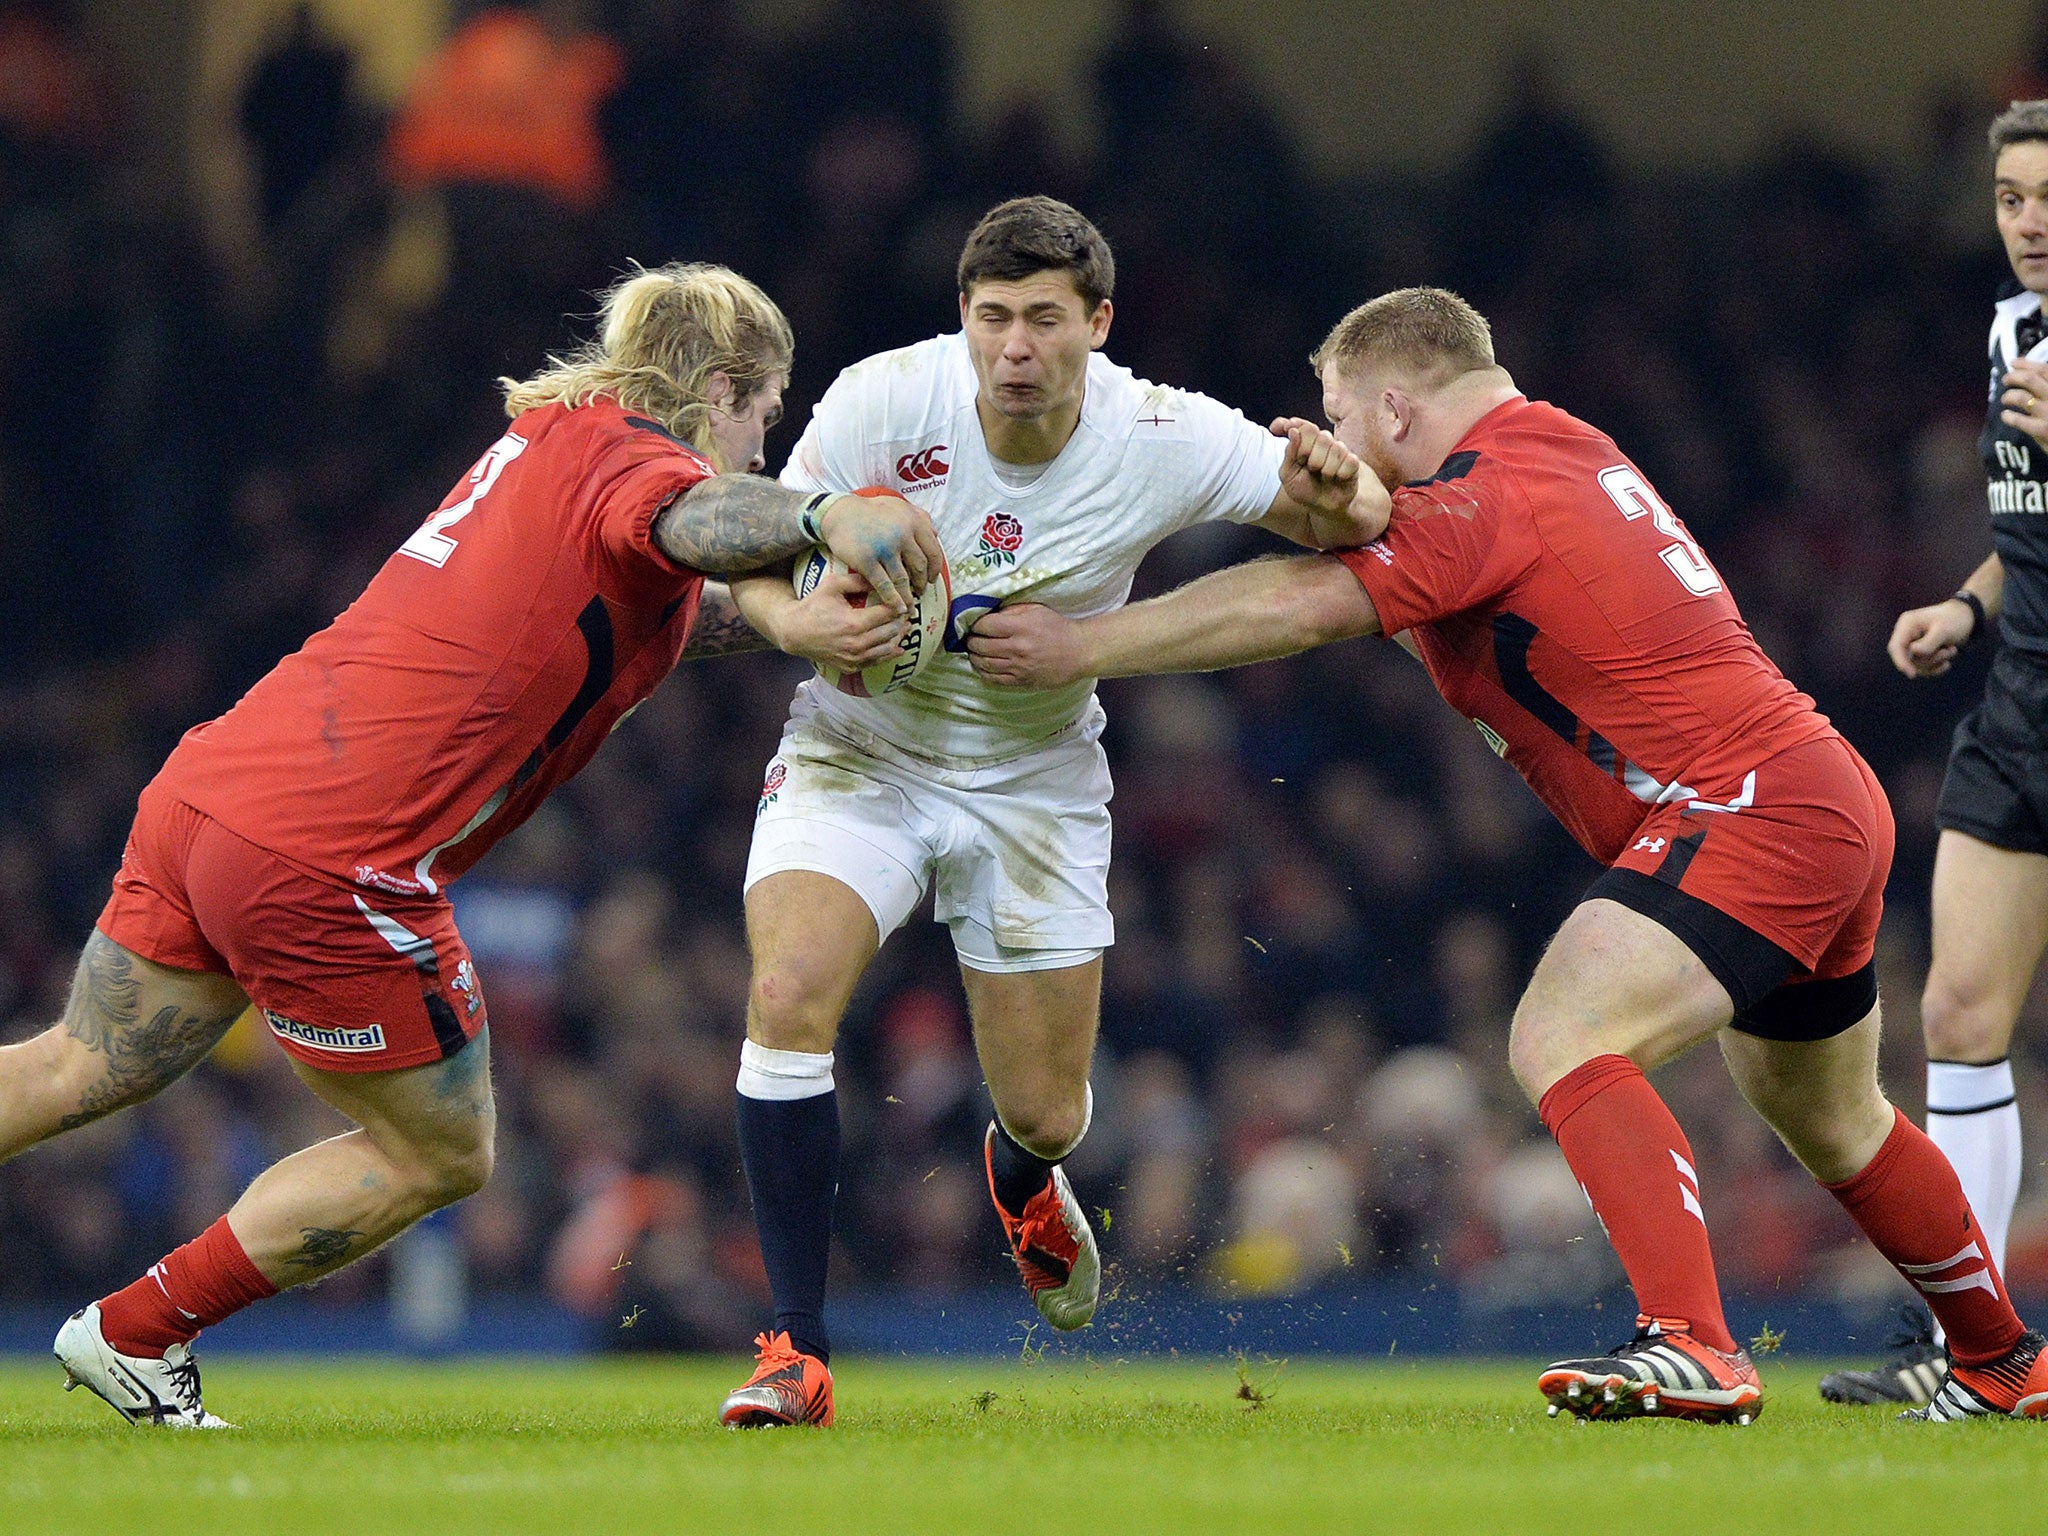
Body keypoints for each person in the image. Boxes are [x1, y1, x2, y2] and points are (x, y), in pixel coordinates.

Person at [967, 286, 2048, 1424]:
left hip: (1744, 804)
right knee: (1833, 1119)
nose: (1329, 447)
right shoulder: (1559, 446)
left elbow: (1297, 606)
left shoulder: (1484, 496)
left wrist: (1084, 643)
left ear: (1391, 407)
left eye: (1335, 417)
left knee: (1560, 1033)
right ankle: (2001, 1359)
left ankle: (1690, 1343)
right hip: (1805, 793)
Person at [0, 261, 938, 1427]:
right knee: (439, 1154)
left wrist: (784, 623)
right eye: (767, 408)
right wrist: (819, 516)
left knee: (71, 1065)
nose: (768, 435)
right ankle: (136, 1331)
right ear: (721, 385)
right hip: (332, 855)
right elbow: (691, 516)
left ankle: (134, 1333)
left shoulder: (555, 438)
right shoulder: (644, 462)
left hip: (215, 791)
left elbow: (636, 598)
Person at [710, 196, 1385, 1428]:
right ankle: (793, 1351)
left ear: (1098, 323)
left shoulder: (1160, 431)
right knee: (785, 994)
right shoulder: (879, 399)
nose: (1012, 348)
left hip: (1034, 784)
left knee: (1045, 1107)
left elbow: (1344, 528)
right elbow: (753, 538)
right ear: (960, 321)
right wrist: (795, 620)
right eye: (990, 319)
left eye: (1041, 320)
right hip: (860, 752)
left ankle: (1021, 1177)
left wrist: (1346, 488)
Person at [1831, 98, 2048, 1408]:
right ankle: (1978, 1355)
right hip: (2023, 702)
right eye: (2014, 199)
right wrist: (1970, 606)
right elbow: (2030, 527)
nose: (2032, 224)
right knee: (1959, 1014)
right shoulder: (2013, 333)